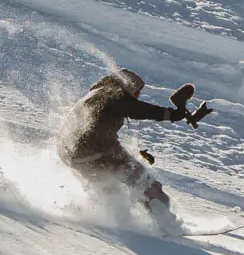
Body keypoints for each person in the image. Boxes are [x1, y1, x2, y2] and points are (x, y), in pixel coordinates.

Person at [57, 68, 209, 213]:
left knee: (110, 188)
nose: (137, 97)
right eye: (136, 93)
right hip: (95, 150)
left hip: (72, 154)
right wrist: (170, 114)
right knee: (146, 183)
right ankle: (165, 222)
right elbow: (138, 109)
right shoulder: (113, 94)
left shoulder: (96, 95)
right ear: (127, 87)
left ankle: (110, 219)